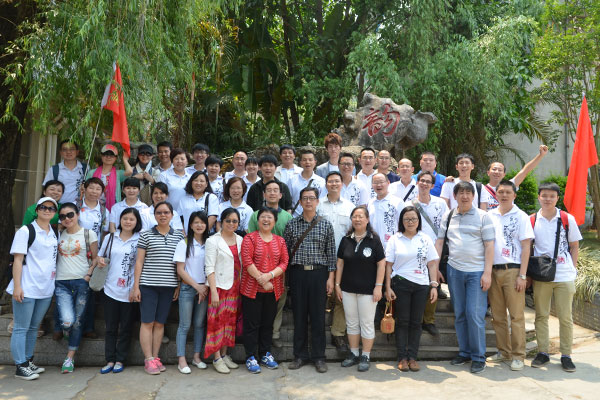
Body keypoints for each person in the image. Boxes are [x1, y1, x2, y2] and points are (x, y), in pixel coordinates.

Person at [435, 181, 495, 374]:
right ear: (455, 196)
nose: (465, 196)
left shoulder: (483, 216)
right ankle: (465, 352)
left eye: (468, 192)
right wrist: (435, 268)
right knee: (460, 313)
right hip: (454, 271)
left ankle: (478, 357)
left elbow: (490, 246)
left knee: (474, 314)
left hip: (477, 272)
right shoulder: (448, 215)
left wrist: (487, 273)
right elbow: (440, 242)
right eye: (461, 192)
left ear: (473, 196)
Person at [530, 183, 582, 372]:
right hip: (541, 275)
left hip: (564, 275)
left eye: (552, 196)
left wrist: (573, 270)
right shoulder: (532, 220)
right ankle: (543, 352)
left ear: (557, 198)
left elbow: (574, 246)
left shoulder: (567, 219)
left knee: (565, 317)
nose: (548, 199)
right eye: (544, 195)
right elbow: (528, 247)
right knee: (541, 315)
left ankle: (566, 355)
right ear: (539, 197)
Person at [284, 187, 336, 373]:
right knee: (299, 316)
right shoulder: (292, 224)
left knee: (318, 316)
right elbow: (286, 252)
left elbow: (331, 253)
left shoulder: (325, 224)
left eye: (311, 198)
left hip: (318, 274)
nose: (308, 201)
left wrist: (330, 278)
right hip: (298, 274)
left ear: (317, 201)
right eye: (305, 198)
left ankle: (319, 357)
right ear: (300, 202)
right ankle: (299, 355)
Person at [8, 197, 58, 380]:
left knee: (33, 327)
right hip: (27, 287)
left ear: (55, 212)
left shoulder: (54, 232)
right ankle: (20, 366)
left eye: (51, 208)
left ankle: (28, 361)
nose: (47, 210)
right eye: (43, 207)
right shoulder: (25, 231)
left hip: (45, 289)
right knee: (21, 328)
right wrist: (17, 286)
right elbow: (18, 260)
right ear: (37, 210)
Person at [486, 180, 534, 371]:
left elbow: (526, 247)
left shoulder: (521, 216)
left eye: (508, 192)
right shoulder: (489, 216)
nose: (504, 195)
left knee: (516, 316)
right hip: (493, 271)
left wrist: (523, 275)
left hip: (513, 271)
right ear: (496, 194)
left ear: (514, 195)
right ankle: (503, 351)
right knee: (497, 316)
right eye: (500, 192)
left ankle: (518, 355)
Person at [133, 201, 184, 375]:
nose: (163, 215)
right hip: (148, 285)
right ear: (154, 215)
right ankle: (148, 359)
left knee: (160, 323)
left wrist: (178, 284)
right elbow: (139, 262)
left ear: (172, 215)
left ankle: (155, 357)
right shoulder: (146, 235)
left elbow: (179, 263)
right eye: (159, 212)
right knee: (147, 322)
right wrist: (136, 287)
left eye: (166, 212)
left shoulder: (179, 236)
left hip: (168, 286)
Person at [386, 206, 439, 372]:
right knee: (402, 321)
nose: (410, 222)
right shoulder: (395, 239)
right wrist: (387, 287)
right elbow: (388, 265)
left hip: (421, 285)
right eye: (407, 219)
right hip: (400, 283)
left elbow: (432, 264)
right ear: (401, 221)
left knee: (417, 322)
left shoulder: (425, 238)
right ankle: (402, 357)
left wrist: (434, 285)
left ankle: (413, 357)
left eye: (414, 219)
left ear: (418, 221)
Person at [335, 206, 385, 372]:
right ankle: (354, 353)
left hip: (368, 291)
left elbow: (381, 264)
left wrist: (379, 287)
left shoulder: (374, 240)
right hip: (347, 289)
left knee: (367, 323)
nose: (357, 219)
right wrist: (337, 285)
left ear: (367, 220)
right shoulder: (346, 240)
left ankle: (366, 355)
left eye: (361, 216)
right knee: (351, 323)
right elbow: (340, 264)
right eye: (354, 216)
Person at [241, 207, 289, 373]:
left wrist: (269, 275)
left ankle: (265, 354)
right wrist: (262, 280)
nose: (266, 220)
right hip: (251, 290)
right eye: (263, 217)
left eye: (269, 217)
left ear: (274, 221)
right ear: (258, 220)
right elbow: (247, 261)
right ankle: (250, 356)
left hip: (273, 290)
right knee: (251, 325)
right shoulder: (249, 238)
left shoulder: (280, 241)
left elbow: (284, 262)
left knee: (268, 324)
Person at [247, 180, 293, 347]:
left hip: (279, 268)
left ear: (280, 195)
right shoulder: (255, 215)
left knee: (278, 300)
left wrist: (278, 270)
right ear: (264, 194)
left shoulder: (287, 217)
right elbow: (250, 241)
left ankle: (274, 333)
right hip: (256, 269)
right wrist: (260, 275)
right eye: (269, 190)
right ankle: (258, 337)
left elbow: (289, 243)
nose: (272, 193)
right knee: (256, 305)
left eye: (276, 190)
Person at [55, 202, 99, 373]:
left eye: (70, 214)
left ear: (78, 214)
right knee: (67, 321)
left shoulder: (88, 234)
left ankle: (69, 357)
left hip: (82, 281)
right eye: (63, 216)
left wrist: (89, 274)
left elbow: (95, 258)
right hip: (61, 282)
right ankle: (66, 331)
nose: (67, 219)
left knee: (78, 321)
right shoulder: (58, 234)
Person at [97, 207, 142, 374]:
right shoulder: (110, 237)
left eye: (131, 219)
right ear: (120, 220)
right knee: (110, 327)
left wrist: (135, 288)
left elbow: (140, 264)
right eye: (125, 218)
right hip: (110, 288)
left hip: (129, 290)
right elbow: (100, 256)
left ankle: (120, 359)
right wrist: (100, 261)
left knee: (126, 328)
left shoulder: (140, 240)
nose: (128, 222)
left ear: (137, 222)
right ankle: (109, 359)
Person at [316, 171, 354, 353]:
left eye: (337, 181)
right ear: (326, 184)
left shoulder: (349, 206)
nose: (333, 184)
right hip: (320, 258)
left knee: (341, 297)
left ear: (341, 184)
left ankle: (338, 334)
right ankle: (316, 335)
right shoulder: (317, 205)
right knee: (319, 295)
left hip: (343, 259)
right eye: (330, 181)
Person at [204, 208, 244, 374]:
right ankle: (216, 358)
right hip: (219, 287)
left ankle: (225, 354)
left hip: (235, 287)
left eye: (234, 221)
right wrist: (213, 291)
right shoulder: (213, 241)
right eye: (228, 220)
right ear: (221, 222)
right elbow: (209, 267)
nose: (231, 224)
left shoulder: (240, 239)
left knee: (230, 322)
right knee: (216, 323)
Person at [412, 171, 449, 336]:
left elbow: (446, 226)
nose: (424, 184)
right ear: (417, 182)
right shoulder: (409, 204)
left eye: (428, 182)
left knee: (433, 284)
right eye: (422, 181)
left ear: (433, 185)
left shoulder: (440, 204)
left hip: (435, 249)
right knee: (419, 286)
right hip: (414, 250)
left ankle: (429, 320)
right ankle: (418, 320)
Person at [173, 212, 210, 374]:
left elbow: (212, 266)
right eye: (196, 222)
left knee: (199, 324)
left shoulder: (209, 243)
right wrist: (197, 286)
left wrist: (205, 286)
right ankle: (181, 359)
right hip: (188, 288)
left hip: (205, 288)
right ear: (190, 225)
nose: (199, 225)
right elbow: (180, 270)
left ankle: (196, 357)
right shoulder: (184, 243)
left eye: (202, 222)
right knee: (184, 325)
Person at [484, 145, 549, 211]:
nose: (497, 172)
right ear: (488, 172)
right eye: (494, 169)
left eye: (500, 170)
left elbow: (525, 171)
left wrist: (541, 155)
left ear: (504, 174)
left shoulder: (511, 185)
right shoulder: (481, 190)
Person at [85, 144, 132, 211]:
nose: (108, 157)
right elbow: (86, 189)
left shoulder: (118, 174)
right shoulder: (92, 173)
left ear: (115, 158)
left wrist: (125, 160)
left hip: (113, 208)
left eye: (112, 155)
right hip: (93, 206)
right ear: (101, 156)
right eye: (105, 154)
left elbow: (130, 171)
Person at [367, 173, 405, 247]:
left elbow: (403, 224)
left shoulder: (397, 202)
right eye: (375, 182)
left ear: (388, 183)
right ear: (372, 185)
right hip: (373, 245)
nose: (378, 185)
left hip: (393, 245)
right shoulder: (370, 203)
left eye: (381, 182)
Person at [289, 150, 326, 217]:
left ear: (315, 162)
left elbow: (322, 201)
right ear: (300, 162)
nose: (307, 162)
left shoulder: (321, 181)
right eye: (304, 160)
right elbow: (289, 201)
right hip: (295, 218)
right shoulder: (292, 180)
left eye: (310, 160)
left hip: (315, 219)